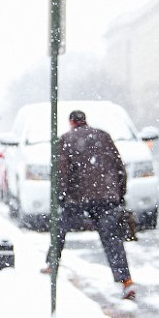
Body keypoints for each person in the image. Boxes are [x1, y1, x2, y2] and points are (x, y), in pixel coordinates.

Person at [44, 109, 136, 300]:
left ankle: (52, 264)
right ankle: (125, 281)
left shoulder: (66, 140)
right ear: (85, 121)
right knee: (112, 240)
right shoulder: (103, 137)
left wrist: (61, 196)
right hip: (106, 197)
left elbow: (61, 171)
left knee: (60, 230)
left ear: (71, 122)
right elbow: (119, 167)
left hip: (77, 197)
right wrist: (120, 193)